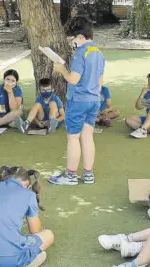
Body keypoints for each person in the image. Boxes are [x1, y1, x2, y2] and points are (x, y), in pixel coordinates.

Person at [48, 16, 105, 186]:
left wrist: (61, 69)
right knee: (87, 137)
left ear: (79, 37)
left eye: (70, 39)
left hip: (78, 100)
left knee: (73, 137)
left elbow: (73, 79)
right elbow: (100, 82)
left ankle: (71, 175)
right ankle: (88, 175)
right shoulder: (98, 53)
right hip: (94, 100)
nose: (70, 43)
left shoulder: (81, 53)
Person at [0, 166, 54, 267]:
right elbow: (35, 231)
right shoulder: (29, 194)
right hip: (10, 260)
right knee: (48, 234)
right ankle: (23, 262)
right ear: (27, 184)